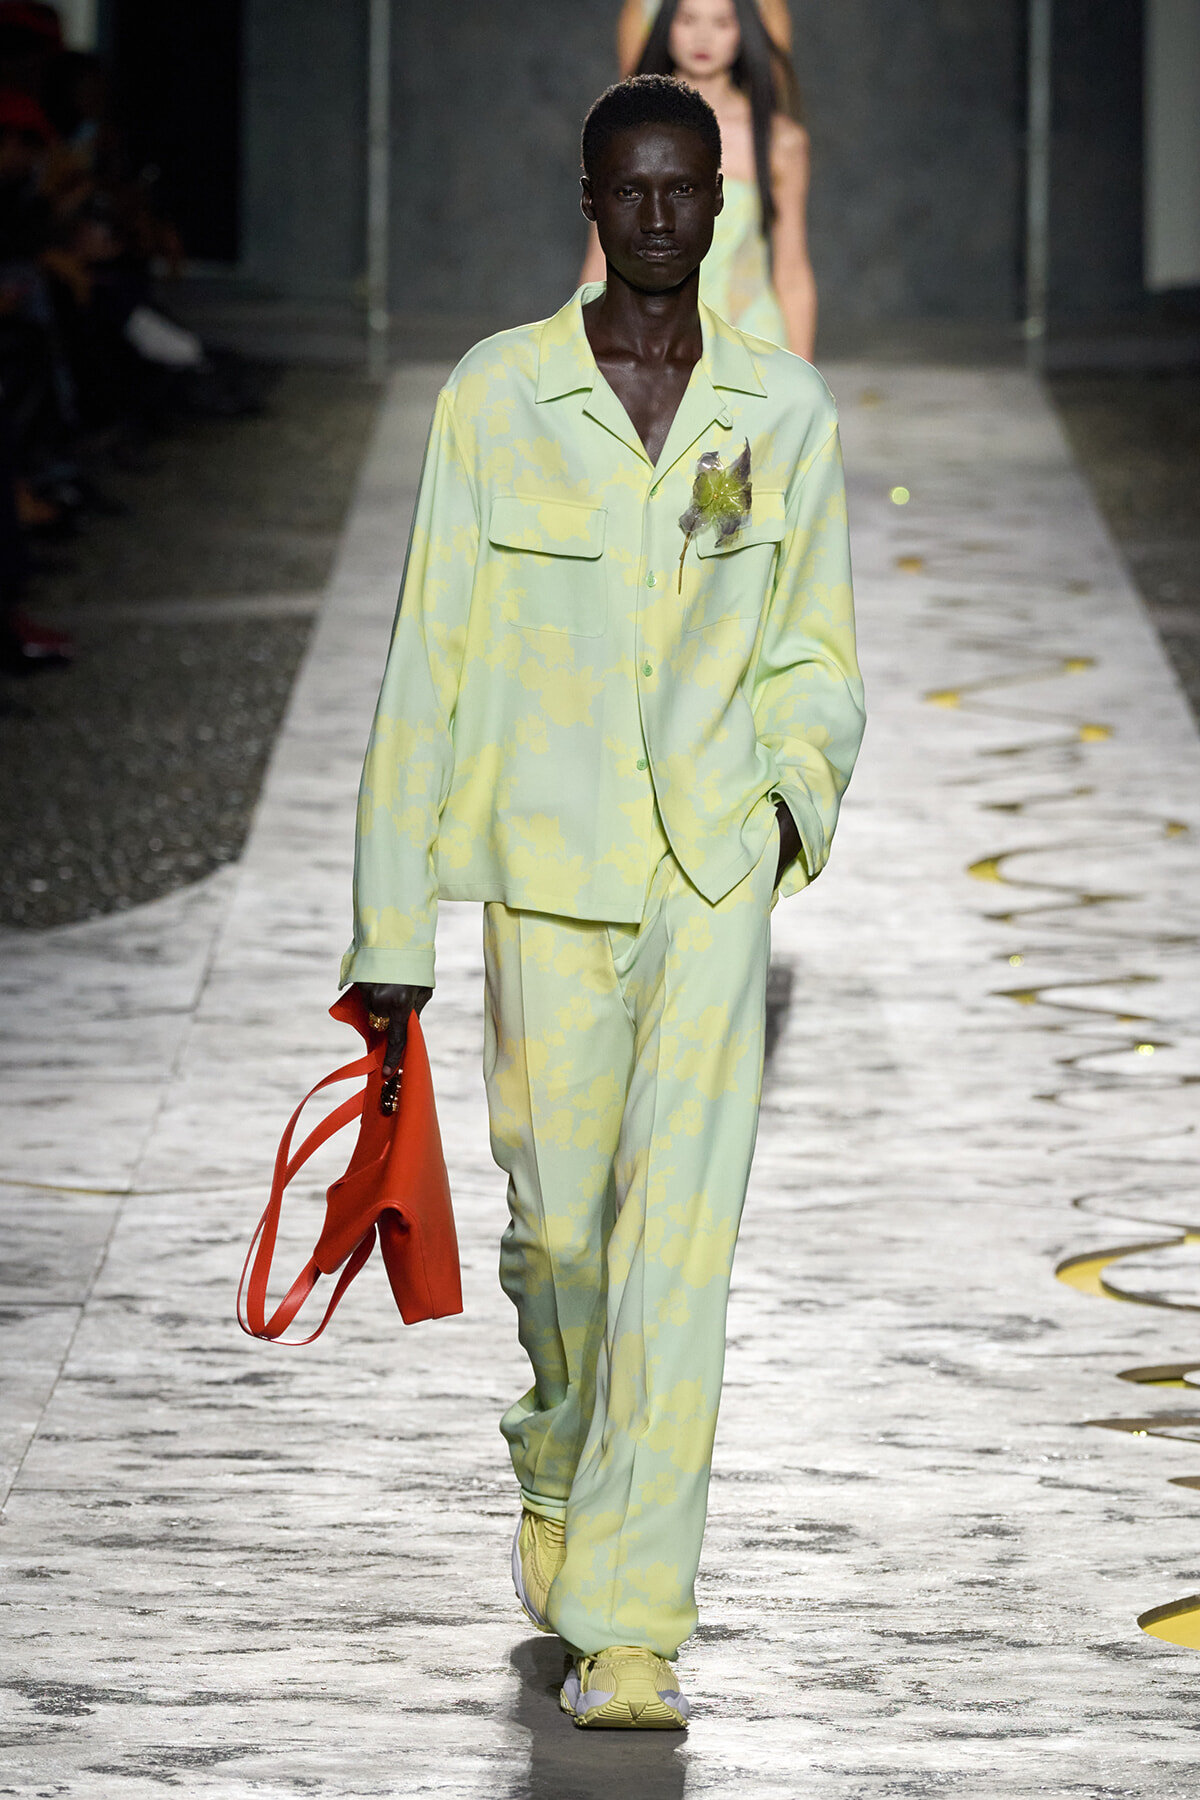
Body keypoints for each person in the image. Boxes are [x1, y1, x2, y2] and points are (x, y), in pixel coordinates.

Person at [345, 74, 863, 1728]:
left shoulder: (779, 416)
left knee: (679, 1253)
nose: (656, 217)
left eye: (682, 192)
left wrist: (791, 795)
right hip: (544, 883)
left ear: (717, 206)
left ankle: (634, 1622)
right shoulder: (496, 400)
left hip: (711, 868)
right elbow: (427, 659)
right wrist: (387, 929)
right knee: (563, 1232)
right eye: (628, 191)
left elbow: (817, 652)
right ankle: (558, 1435)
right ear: (592, 198)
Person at [582, 0, 816, 358]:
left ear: (744, 31)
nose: (703, 37)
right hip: (650, 343)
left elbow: (792, 270)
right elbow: (600, 259)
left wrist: (804, 382)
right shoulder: (625, 135)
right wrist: (582, 354)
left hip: (752, 342)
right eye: (688, 20)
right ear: (661, 26)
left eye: (722, 23)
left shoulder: (779, 142)